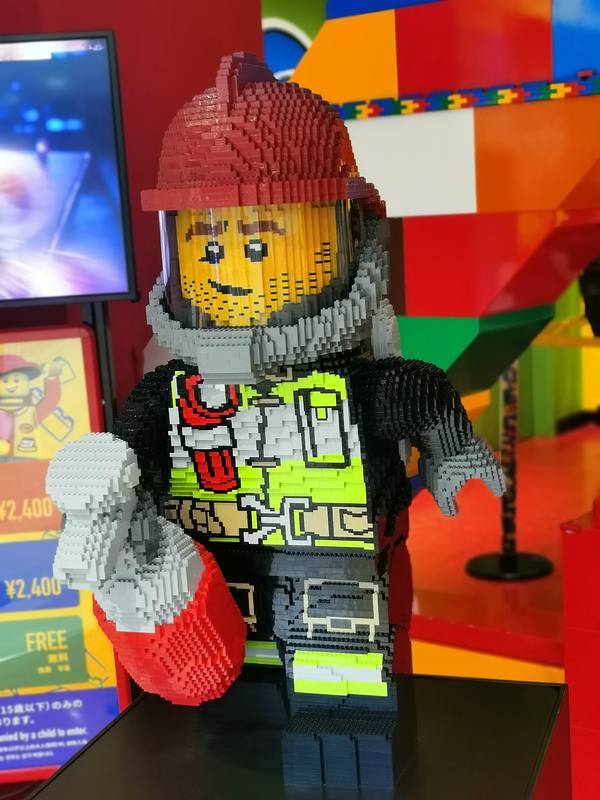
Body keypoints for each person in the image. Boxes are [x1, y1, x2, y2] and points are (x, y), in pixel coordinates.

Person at [46, 52, 504, 789]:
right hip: (217, 588)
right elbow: (128, 461)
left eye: (261, 246)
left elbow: (417, 392)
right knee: (232, 733)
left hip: (337, 583)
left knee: (344, 728)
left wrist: (451, 447)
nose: (232, 271)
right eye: (209, 245)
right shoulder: (167, 397)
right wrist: (116, 507)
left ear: (349, 237)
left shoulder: (364, 387)